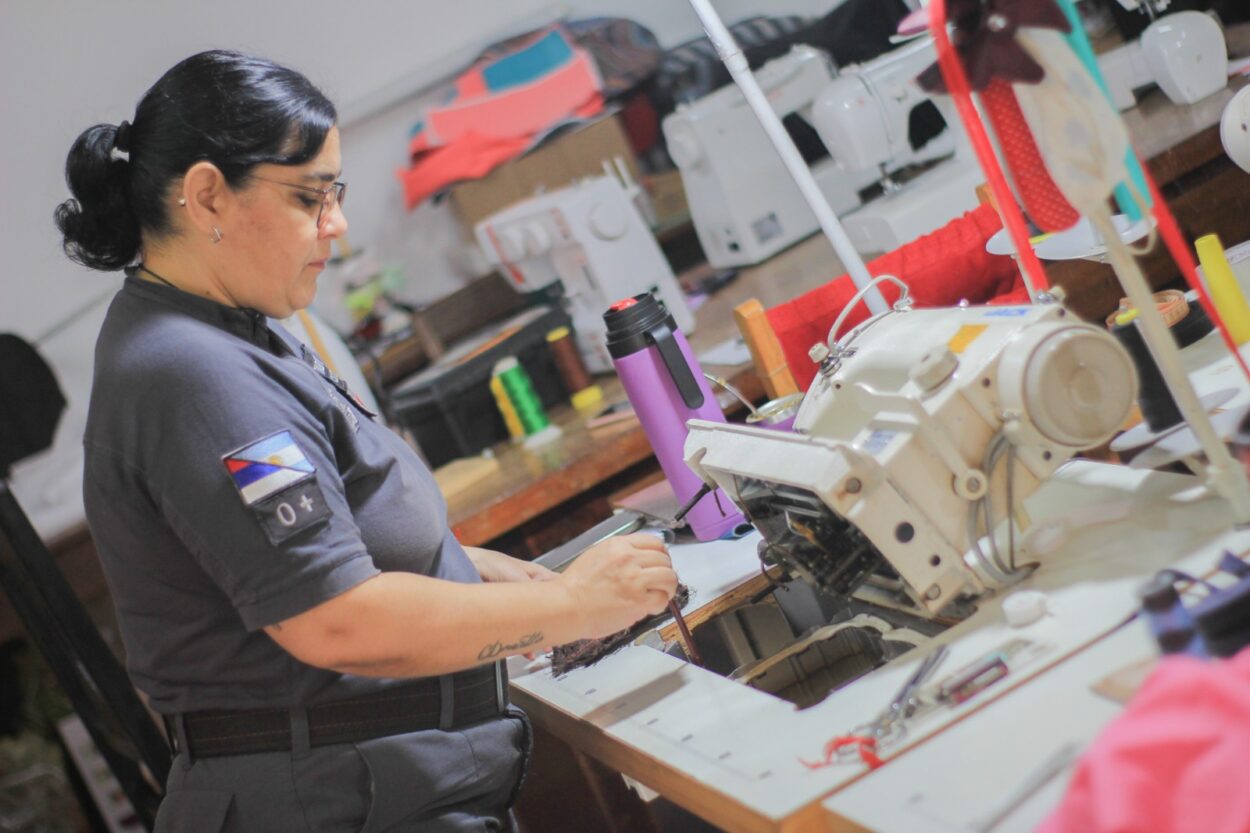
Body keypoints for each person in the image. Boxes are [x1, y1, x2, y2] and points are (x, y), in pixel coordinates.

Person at [55, 50, 678, 833]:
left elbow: (324, 539)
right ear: (208, 193)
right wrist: (572, 605)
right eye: (308, 196)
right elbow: (336, 618)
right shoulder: (192, 373)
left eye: (335, 193)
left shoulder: (227, 326)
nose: (336, 223)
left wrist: (474, 571)